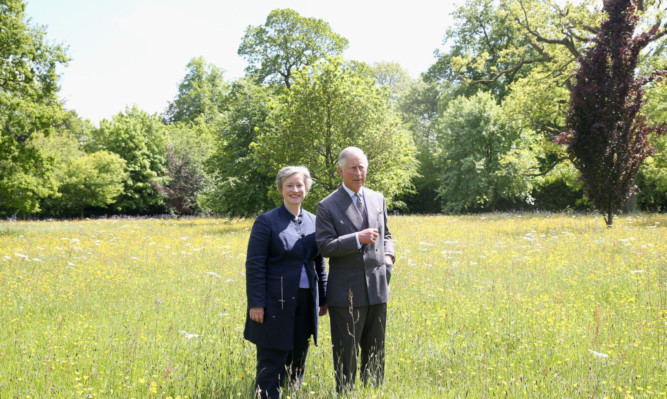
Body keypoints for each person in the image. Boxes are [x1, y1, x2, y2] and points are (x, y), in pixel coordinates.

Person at [244, 166, 328, 399]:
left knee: (298, 359)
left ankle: (292, 394)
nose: (295, 189)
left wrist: (323, 298)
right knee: (272, 360)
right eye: (289, 185)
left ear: (307, 188)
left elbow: (319, 263)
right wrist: (256, 303)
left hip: (305, 301)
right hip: (274, 303)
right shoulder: (266, 221)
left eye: (299, 185)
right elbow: (255, 265)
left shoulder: (315, 220)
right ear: (281, 189)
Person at [315, 147, 395, 393]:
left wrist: (389, 256)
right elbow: (325, 246)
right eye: (353, 168)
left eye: (362, 167)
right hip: (346, 293)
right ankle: (346, 395)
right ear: (340, 170)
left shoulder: (377, 198)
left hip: (378, 289)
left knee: (375, 352)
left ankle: (373, 393)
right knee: (346, 355)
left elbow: (387, 235)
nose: (359, 173)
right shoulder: (327, 205)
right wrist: (357, 238)